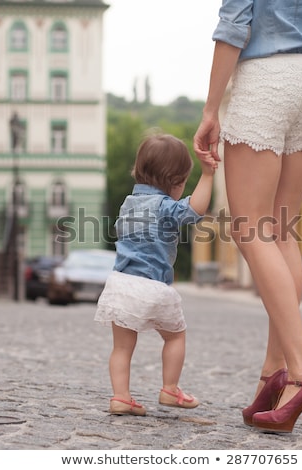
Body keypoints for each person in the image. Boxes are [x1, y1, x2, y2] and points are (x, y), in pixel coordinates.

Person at [193, 0, 302, 435]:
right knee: (282, 231)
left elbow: (232, 27)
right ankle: (275, 374)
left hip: (265, 80)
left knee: (248, 227)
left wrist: (210, 111)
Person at [95, 131, 216, 416]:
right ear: (175, 182)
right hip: (152, 287)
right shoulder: (164, 207)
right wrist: (208, 175)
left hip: (121, 284)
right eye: (183, 182)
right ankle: (170, 389)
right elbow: (194, 210)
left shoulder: (127, 203)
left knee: (122, 348)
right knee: (175, 336)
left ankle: (121, 397)